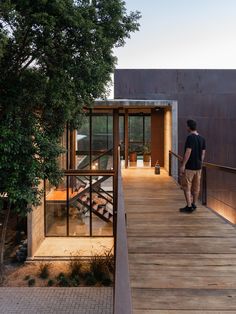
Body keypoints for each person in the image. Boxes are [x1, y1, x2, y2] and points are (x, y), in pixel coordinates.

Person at [180, 119, 206, 213]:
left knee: (187, 187)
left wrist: (183, 165)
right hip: (198, 168)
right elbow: (203, 153)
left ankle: (189, 206)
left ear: (188, 127)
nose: (186, 127)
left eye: (186, 126)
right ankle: (194, 204)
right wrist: (200, 162)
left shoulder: (190, 137)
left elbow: (188, 151)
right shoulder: (202, 139)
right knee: (196, 187)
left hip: (190, 167)